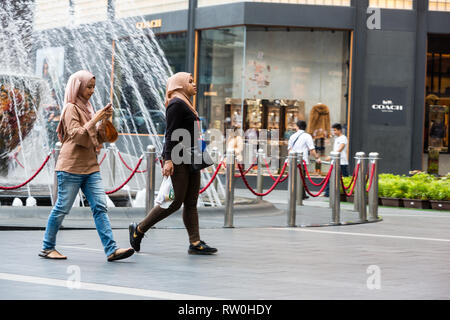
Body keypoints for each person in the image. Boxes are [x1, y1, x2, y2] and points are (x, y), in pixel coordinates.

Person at [39, 70, 135, 262]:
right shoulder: (70, 108)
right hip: (71, 167)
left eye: (93, 87)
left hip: (91, 166)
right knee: (61, 208)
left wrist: (104, 120)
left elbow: (97, 138)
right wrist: (96, 118)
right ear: (78, 87)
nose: (92, 91)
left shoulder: (88, 108)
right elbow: (78, 135)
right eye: (88, 87)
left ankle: (111, 250)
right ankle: (47, 247)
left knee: (100, 207)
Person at [129, 72, 217, 255]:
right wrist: (168, 159)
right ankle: (139, 229)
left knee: (191, 201)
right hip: (177, 158)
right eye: (190, 81)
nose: (194, 84)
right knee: (174, 201)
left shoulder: (185, 103)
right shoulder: (176, 104)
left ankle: (195, 242)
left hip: (191, 156)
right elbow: (170, 133)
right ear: (178, 85)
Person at [288, 120, 321, 199]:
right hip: (302, 161)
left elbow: (289, 149)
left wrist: (289, 160)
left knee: (294, 177)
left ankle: (295, 194)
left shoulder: (292, 136)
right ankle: (301, 194)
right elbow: (312, 150)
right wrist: (317, 158)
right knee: (302, 177)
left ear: (297, 126)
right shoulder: (307, 136)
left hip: (293, 159)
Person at [323, 123, 349, 197]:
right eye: (333, 130)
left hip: (342, 162)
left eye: (335, 130)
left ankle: (347, 193)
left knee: (345, 178)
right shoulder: (336, 138)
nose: (334, 132)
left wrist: (331, 157)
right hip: (335, 162)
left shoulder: (343, 138)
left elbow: (340, 149)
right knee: (331, 177)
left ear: (339, 130)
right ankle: (327, 193)